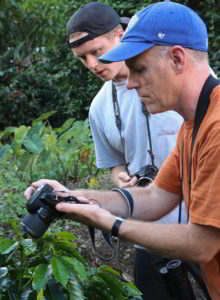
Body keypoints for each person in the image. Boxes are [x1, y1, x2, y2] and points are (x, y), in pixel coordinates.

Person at [25, 2, 220, 299]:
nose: (130, 82)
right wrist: (72, 198)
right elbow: (156, 197)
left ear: (178, 59)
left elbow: (203, 243)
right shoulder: (193, 125)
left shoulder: (216, 129)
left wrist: (109, 223)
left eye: (139, 68)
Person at [66, 2, 188, 299]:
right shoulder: (99, 107)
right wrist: (120, 179)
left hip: (204, 215)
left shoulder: (172, 79)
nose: (92, 64)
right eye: (82, 58)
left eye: (97, 51)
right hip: (152, 224)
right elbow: (115, 164)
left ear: (121, 35)